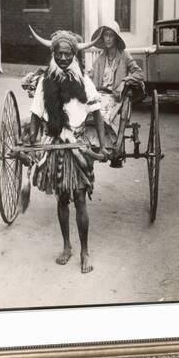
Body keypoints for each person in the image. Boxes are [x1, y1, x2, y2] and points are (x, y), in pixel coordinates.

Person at [24, 27, 108, 274]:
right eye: (59, 53)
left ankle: (84, 251)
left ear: (74, 54)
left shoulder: (84, 80)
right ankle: (67, 246)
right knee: (62, 199)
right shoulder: (44, 82)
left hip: (79, 145)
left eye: (67, 54)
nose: (62, 58)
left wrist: (102, 146)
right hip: (56, 145)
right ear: (54, 53)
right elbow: (36, 113)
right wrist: (32, 138)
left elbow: (97, 113)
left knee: (80, 198)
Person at [89, 22, 145, 159]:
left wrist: (125, 81)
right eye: (105, 36)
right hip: (99, 95)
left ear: (116, 38)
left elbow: (140, 73)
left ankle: (111, 146)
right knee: (87, 113)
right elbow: (91, 75)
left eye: (110, 35)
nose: (107, 39)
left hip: (116, 98)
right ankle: (93, 144)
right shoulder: (100, 58)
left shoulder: (124, 56)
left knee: (103, 116)